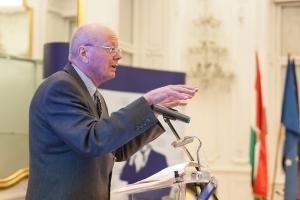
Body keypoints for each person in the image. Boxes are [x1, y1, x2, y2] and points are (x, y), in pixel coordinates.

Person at [25, 23, 198, 200]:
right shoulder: (60, 87)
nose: (119, 56)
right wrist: (146, 101)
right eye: (111, 48)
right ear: (84, 53)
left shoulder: (95, 96)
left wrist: (152, 112)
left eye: (118, 49)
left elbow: (115, 149)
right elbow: (92, 141)